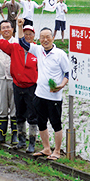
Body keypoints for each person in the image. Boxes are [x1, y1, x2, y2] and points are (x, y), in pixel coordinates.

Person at [0, 17, 39, 151]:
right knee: (18, 113)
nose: (27, 36)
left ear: (34, 36)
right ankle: (20, 140)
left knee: (32, 115)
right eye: (25, 34)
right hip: (17, 85)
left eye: (30, 34)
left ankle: (31, 142)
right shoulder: (15, 47)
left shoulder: (37, 50)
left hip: (31, 87)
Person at [20, 26, 69, 160]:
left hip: (54, 96)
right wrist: (19, 26)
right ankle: (47, 148)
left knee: (56, 124)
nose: (45, 40)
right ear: (39, 39)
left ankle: (57, 151)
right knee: (41, 122)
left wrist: (61, 85)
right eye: (42, 37)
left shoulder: (60, 54)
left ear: (53, 38)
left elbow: (68, 73)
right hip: (39, 94)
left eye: (48, 37)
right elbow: (22, 42)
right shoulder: (38, 49)